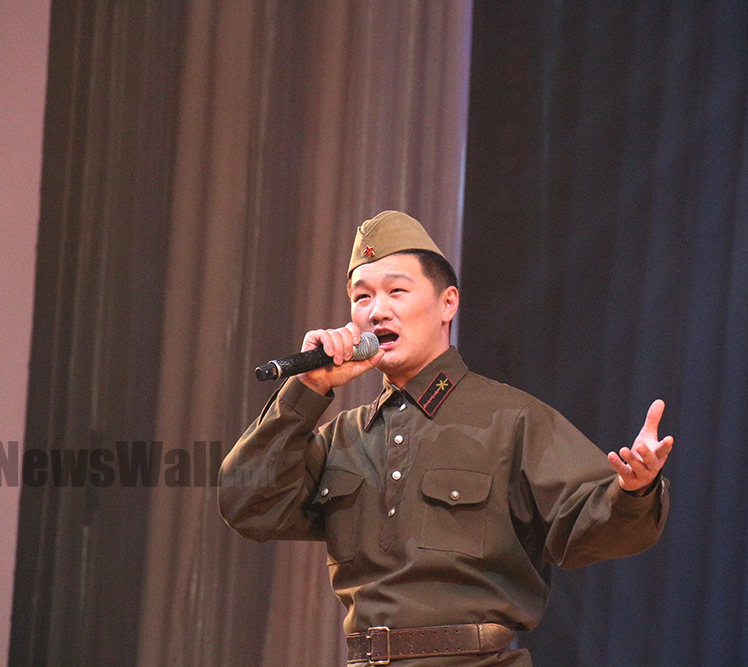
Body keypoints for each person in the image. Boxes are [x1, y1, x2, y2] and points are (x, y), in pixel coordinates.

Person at [219, 211, 672, 666]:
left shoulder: (510, 418)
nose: (377, 311)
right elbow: (248, 505)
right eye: (362, 297)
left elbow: (591, 525)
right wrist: (307, 389)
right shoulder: (343, 436)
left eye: (397, 291)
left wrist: (634, 490)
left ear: (447, 303)